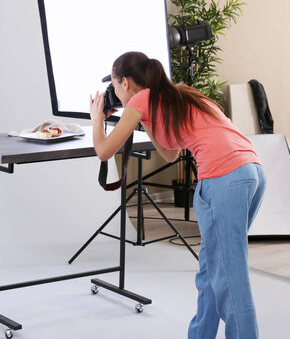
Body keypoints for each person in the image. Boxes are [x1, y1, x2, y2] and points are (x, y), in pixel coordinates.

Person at [89, 51, 266, 339]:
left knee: (232, 280)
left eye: (114, 84)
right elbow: (170, 153)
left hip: (224, 179)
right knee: (210, 271)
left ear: (124, 82)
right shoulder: (178, 94)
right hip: (252, 173)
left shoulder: (140, 99)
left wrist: (97, 118)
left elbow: (103, 151)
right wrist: (141, 119)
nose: (114, 92)